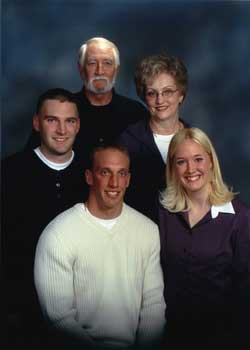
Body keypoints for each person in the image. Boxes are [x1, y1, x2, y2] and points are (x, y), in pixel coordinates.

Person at [34, 144, 166, 350]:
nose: (114, 183)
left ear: (128, 180)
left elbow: (154, 306)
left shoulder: (147, 231)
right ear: (89, 177)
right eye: (105, 172)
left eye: (121, 173)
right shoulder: (58, 234)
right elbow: (59, 319)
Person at [2, 88, 86, 348]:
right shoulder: (8, 173)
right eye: (52, 120)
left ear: (78, 125)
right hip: (22, 313)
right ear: (37, 123)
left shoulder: (93, 175)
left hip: (83, 309)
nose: (62, 130)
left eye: (69, 121)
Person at [159, 127, 250, 346]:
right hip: (171, 337)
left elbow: (245, 294)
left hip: (223, 338)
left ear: (210, 161)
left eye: (198, 159)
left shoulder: (240, 218)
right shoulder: (164, 212)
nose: (191, 169)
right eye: (181, 162)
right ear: (173, 168)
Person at [27, 37, 149, 161]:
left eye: (107, 63)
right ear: (81, 69)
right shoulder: (59, 110)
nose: (99, 71)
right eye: (92, 63)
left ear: (116, 70)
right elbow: (32, 160)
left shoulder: (136, 113)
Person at [117, 54, 190, 223]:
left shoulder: (196, 140)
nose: (160, 100)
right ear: (144, 97)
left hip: (189, 238)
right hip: (141, 235)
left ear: (181, 95)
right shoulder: (126, 142)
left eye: (168, 92)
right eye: (152, 93)